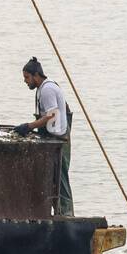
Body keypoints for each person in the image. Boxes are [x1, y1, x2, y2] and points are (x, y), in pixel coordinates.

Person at [13, 56, 74, 215]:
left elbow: (51, 116)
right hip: (53, 136)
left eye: (27, 77)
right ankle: (57, 211)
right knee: (53, 176)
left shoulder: (47, 90)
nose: (25, 81)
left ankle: (66, 213)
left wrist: (28, 126)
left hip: (59, 138)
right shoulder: (43, 88)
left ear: (36, 75)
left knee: (60, 176)